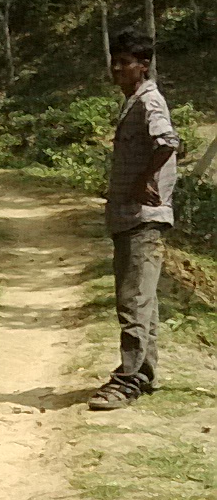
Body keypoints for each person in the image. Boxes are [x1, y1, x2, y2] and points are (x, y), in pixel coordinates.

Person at [88, 26, 180, 412]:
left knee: (133, 302)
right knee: (143, 301)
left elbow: (168, 142)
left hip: (143, 217)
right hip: (128, 216)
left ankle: (126, 381)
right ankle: (144, 373)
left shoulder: (149, 101)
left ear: (143, 66)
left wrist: (145, 179)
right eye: (114, 62)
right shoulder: (133, 102)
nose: (116, 69)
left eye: (124, 63)